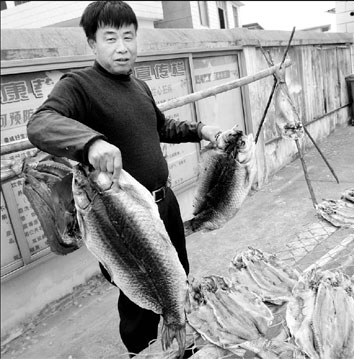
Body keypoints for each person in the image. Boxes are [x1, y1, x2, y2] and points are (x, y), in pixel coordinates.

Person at [26, 1, 222, 357]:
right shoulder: (79, 86)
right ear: (92, 44)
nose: (122, 47)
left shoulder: (139, 87)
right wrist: (90, 144)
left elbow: (161, 127)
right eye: (110, 37)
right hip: (122, 221)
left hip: (165, 205)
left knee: (178, 280)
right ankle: (144, 352)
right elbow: (40, 124)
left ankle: (182, 344)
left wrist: (201, 130)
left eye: (129, 37)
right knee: (140, 300)